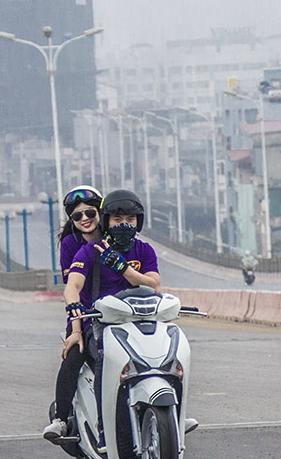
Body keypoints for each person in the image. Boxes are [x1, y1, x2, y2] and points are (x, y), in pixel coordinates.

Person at [46, 189, 195, 444]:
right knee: (85, 356)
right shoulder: (89, 250)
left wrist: (122, 267)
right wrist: (75, 323)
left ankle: (176, 416)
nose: (124, 225)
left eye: (129, 219)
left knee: (171, 353)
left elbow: (154, 285)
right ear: (107, 221)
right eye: (116, 220)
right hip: (99, 320)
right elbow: (72, 286)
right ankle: (88, 424)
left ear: (138, 221)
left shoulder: (144, 250)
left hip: (139, 319)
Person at [44, 185, 103, 442]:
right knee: (73, 355)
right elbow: (72, 289)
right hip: (85, 315)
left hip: (120, 314)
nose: (84, 219)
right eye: (77, 216)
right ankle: (61, 417)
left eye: (89, 212)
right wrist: (76, 329)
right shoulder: (70, 244)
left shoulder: (115, 239)